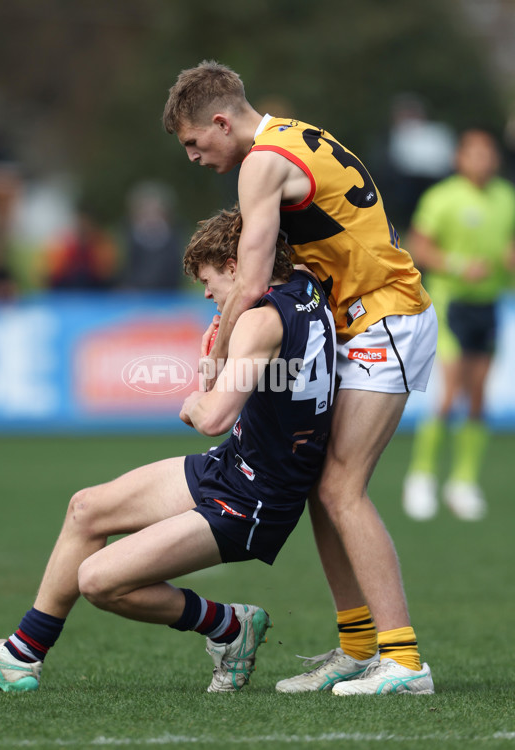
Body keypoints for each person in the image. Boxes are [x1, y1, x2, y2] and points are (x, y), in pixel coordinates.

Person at [0, 207, 336, 694]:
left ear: (236, 266)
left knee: (98, 581)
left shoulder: (258, 322)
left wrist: (197, 391)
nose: (206, 293)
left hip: (254, 501)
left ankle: (229, 626)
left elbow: (211, 418)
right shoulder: (305, 281)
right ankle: (21, 656)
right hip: (236, 465)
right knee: (86, 508)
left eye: (210, 280)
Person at [163, 60, 437, 695]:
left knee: (342, 488)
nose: (196, 158)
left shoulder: (261, 163)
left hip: (384, 317)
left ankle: (402, 663)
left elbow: (252, 278)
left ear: (221, 121)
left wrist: (215, 359)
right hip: (365, 319)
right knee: (323, 484)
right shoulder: (291, 133)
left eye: (195, 144)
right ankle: (359, 646)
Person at [403, 129, 515, 521]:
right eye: (475, 153)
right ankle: (421, 478)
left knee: (480, 395)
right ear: (461, 158)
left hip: (489, 304)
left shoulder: (506, 198)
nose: (483, 160)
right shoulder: (443, 198)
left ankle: (463, 483)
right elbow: (419, 245)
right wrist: (457, 265)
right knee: (450, 394)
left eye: (489, 153)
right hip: (451, 304)